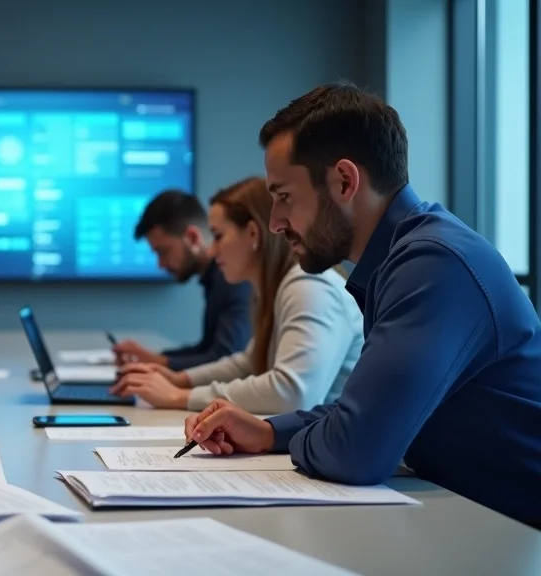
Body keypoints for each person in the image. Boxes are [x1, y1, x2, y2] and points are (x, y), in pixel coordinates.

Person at [183, 82, 541, 529]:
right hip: (476, 519)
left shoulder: (433, 263)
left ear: (345, 181)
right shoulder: (407, 256)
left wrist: (311, 437)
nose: (275, 223)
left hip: (518, 537)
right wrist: (270, 431)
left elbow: (357, 450)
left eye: (284, 197)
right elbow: (369, 408)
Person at [111, 177, 364, 413]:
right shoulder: (276, 287)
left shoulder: (308, 285)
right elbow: (248, 364)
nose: (213, 247)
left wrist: (181, 397)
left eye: (219, 236)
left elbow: (293, 393)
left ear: (253, 234)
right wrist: (180, 380)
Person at [111, 189, 251, 370]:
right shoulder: (214, 280)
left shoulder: (233, 280)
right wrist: (153, 358)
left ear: (193, 237)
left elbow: (225, 358)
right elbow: (207, 349)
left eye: (163, 252)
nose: (160, 265)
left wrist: (156, 363)